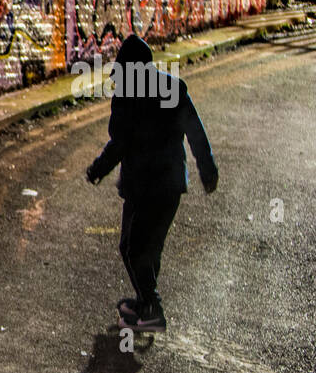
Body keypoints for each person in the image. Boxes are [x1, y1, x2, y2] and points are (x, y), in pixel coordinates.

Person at [85, 34, 218, 332]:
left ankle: (153, 308)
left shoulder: (128, 95)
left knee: (134, 248)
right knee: (142, 248)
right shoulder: (172, 87)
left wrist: (98, 168)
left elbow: (119, 142)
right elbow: (195, 132)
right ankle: (144, 301)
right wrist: (208, 170)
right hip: (167, 186)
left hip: (147, 187)